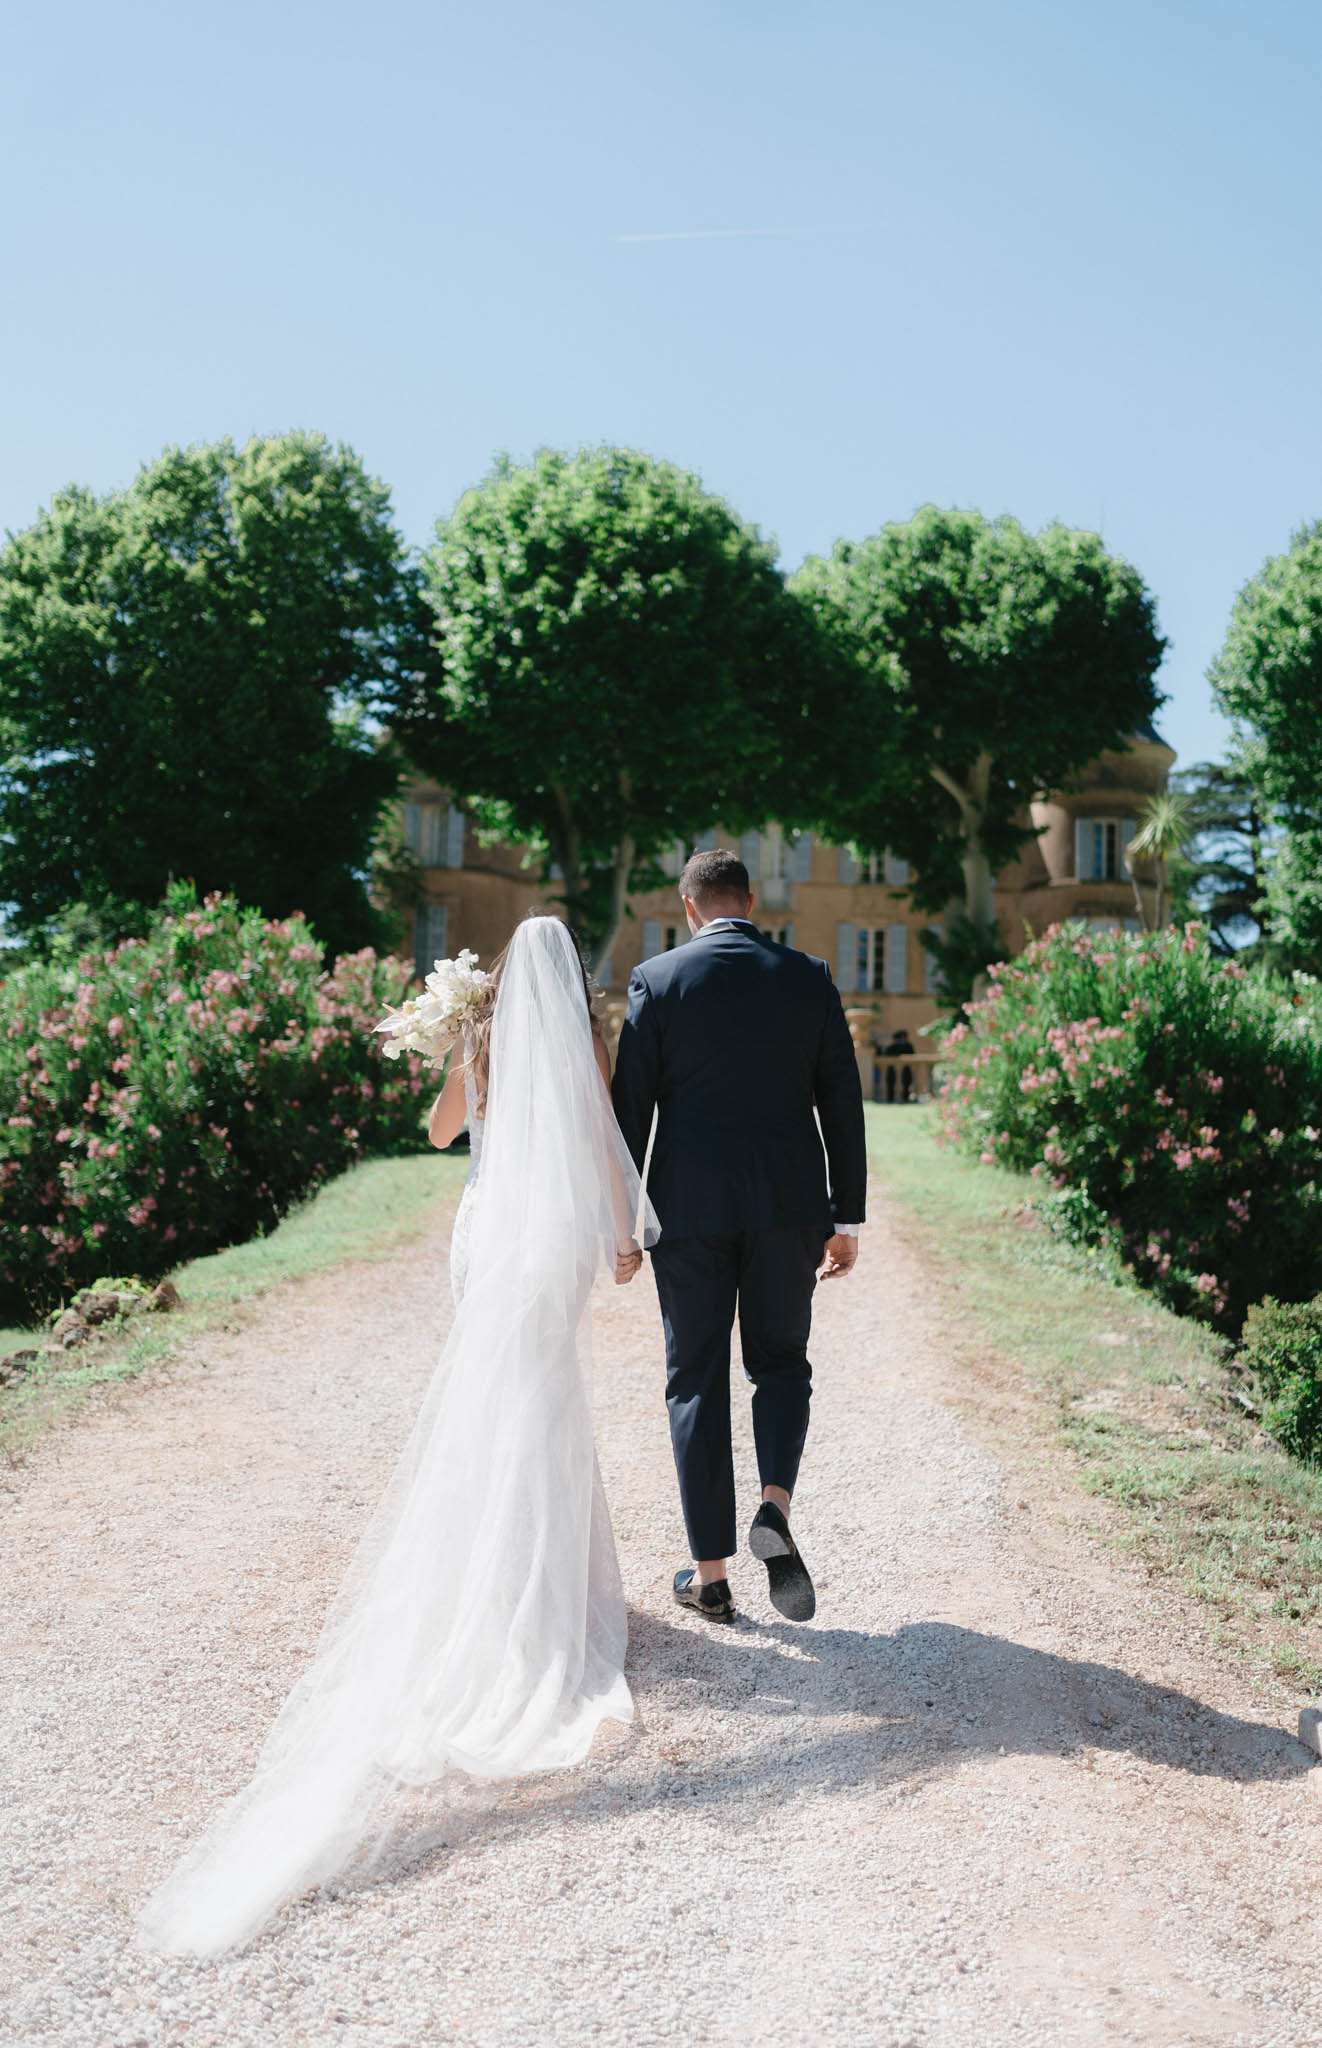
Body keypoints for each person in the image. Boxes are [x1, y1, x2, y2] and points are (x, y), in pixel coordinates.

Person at [138, 916, 655, 1958]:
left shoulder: (477, 1038)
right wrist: (623, 1234)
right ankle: (550, 1592)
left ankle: (497, 1576)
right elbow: (603, 1132)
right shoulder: (583, 1040)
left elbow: (435, 1134)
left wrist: (457, 1060)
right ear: (568, 983)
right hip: (551, 1241)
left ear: (497, 979)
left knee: (495, 1403)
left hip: (489, 1233)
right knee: (547, 1402)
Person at [612, 848, 866, 1626]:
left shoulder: (658, 981)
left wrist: (622, 1222)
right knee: (781, 1363)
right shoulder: (809, 977)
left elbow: (630, 1113)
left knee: (695, 1377)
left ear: (688, 907)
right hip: (790, 1206)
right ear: (750, 902)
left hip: (687, 1212)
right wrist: (845, 1217)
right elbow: (843, 1104)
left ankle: (713, 1576)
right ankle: (774, 1505)